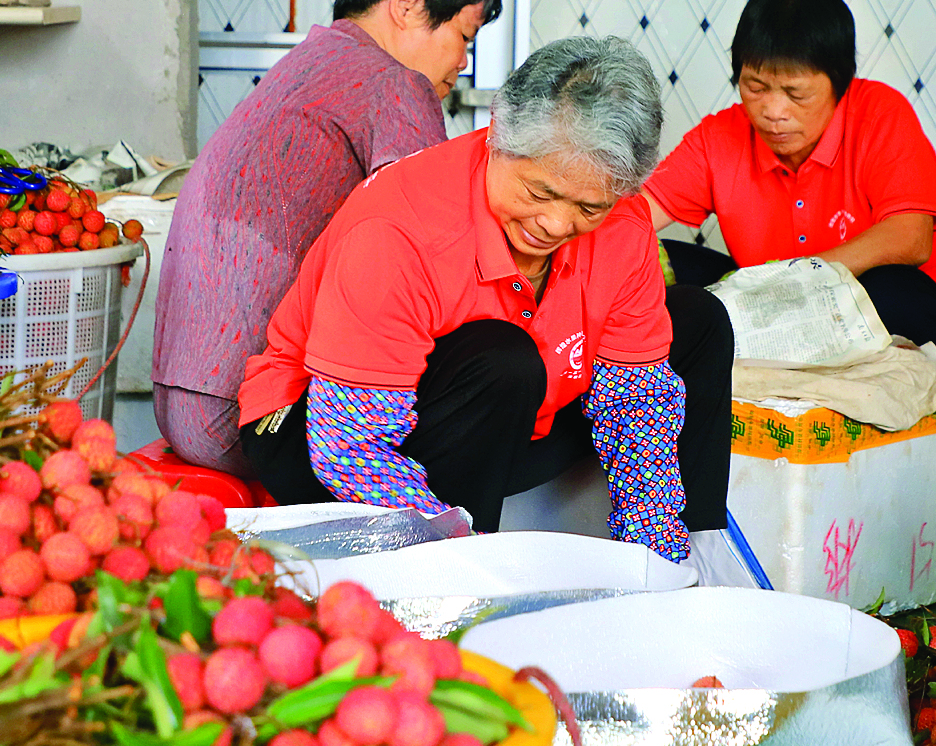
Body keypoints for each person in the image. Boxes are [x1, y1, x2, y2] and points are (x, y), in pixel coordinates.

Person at [235, 36, 733, 560]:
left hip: (503, 417)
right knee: (503, 358)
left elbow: (636, 405)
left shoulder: (623, 223)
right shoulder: (399, 230)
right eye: (539, 193)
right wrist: (466, 558)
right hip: (328, 435)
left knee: (696, 318)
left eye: (589, 208)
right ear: (497, 134)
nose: (555, 223)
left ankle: (701, 557)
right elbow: (348, 450)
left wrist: (655, 555)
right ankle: (459, 566)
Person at [151, 0, 500, 473]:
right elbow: (437, 255)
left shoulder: (307, 63)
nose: (463, 63)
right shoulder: (394, 83)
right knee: (498, 362)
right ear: (407, 4)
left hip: (181, 407)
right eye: (465, 37)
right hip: (246, 416)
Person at [639, 0, 936, 385]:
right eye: (755, 87)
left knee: (888, 289)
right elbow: (634, 217)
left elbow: (910, 239)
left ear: (839, 85)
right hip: (794, 318)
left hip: (933, 319)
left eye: (797, 94)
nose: (774, 111)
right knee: (653, 260)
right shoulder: (720, 137)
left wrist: (792, 278)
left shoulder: (880, 114)